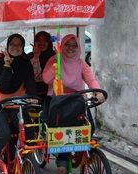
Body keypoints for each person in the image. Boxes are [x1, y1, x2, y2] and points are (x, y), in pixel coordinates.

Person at [42, 34, 105, 174]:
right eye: (67, 45)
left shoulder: (81, 63)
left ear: (78, 47)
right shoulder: (54, 60)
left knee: (90, 127)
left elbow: (91, 79)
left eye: (74, 45)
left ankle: (77, 151)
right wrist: (56, 63)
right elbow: (46, 79)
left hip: (76, 101)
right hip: (56, 101)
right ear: (62, 45)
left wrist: (98, 92)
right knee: (62, 131)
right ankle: (62, 161)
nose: (70, 48)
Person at [0, 33, 36, 174]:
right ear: (7, 46)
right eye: (12, 44)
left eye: (19, 44)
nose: (15, 47)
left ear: (22, 47)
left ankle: (22, 158)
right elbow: (3, 86)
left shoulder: (26, 64)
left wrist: (32, 99)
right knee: (3, 134)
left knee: (30, 131)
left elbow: (31, 85)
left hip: (17, 103)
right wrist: (7, 65)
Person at [27, 31, 55, 101]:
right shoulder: (29, 56)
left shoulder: (54, 56)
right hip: (33, 95)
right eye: (39, 40)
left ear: (49, 43)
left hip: (52, 94)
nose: (42, 43)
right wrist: (36, 56)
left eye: (45, 40)